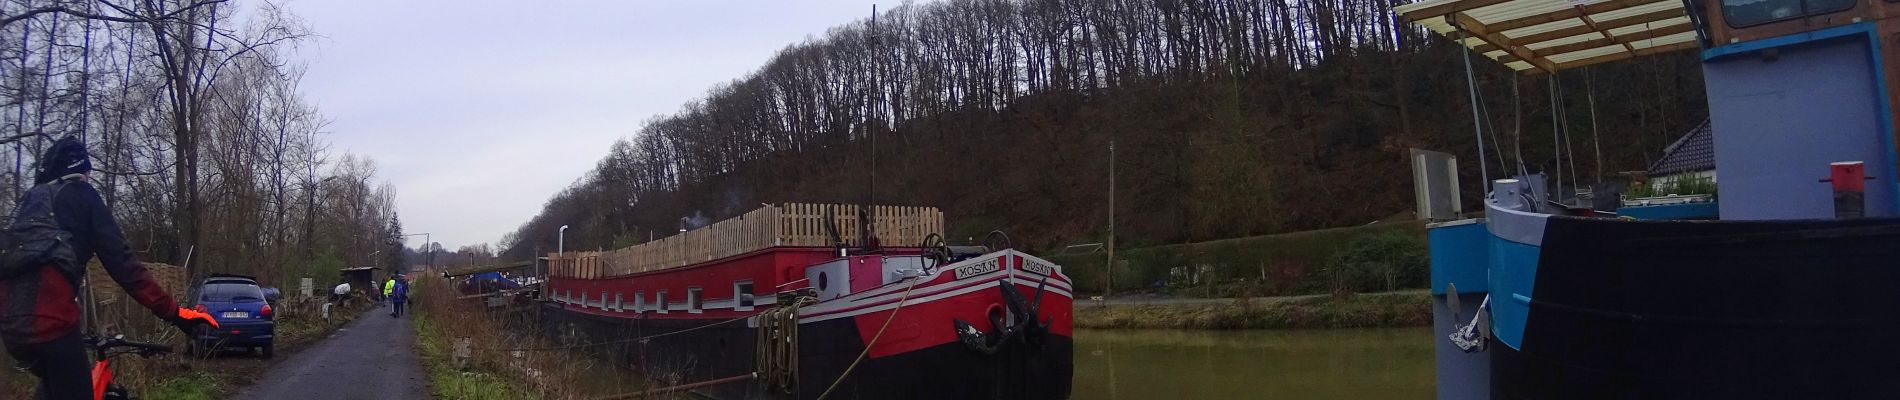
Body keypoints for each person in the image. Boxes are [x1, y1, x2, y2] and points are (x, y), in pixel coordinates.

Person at [0, 136, 204, 400]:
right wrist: (175, 314)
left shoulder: (27, 202)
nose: (87, 178)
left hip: (11, 328)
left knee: (56, 384)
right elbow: (125, 268)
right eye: (87, 173)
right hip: (53, 324)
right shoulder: (82, 196)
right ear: (80, 171)